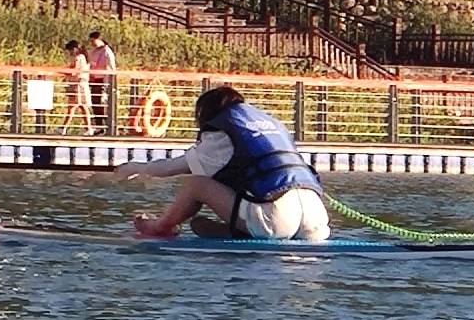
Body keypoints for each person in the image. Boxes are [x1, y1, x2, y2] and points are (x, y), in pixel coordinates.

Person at [121, 84, 332, 241]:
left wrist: (136, 168)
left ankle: (160, 227)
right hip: (316, 223)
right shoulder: (270, 125)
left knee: (197, 184)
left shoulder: (222, 132)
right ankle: (239, 230)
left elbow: (172, 167)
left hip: (276, 220)